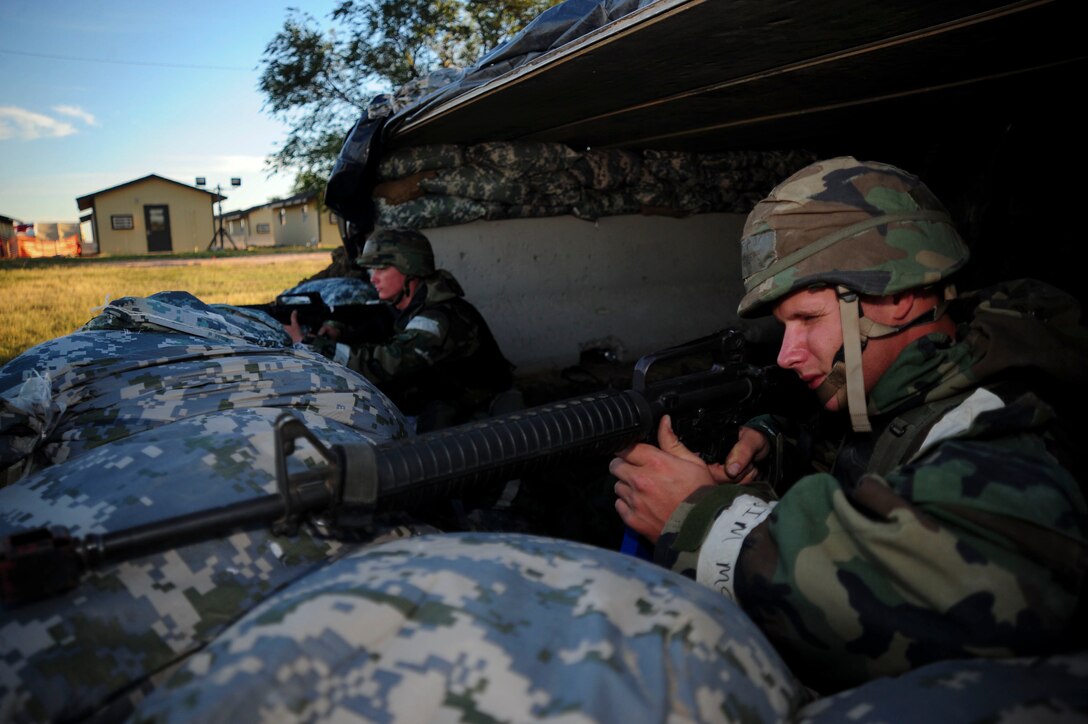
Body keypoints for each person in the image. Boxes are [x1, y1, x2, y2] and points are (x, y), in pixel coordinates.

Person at [609, 156, 1088, 693]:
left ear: (897, 297)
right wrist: (771, 445)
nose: (787, 354)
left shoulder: (1010, 430)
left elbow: (926, 600)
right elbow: (861, 451)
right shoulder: (903, 386)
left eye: (807, 319)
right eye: (782, 326)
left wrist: (705, 521)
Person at [286, 228, 515, 432]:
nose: (373, 279)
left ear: (410, 267)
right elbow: (373, 320)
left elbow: (388, 363)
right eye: (370, 270)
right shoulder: (407, 304)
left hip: (482, 414)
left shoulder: (439, 318)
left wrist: (309, 346)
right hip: (446, 398)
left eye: (382, 268)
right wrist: (337, 329)